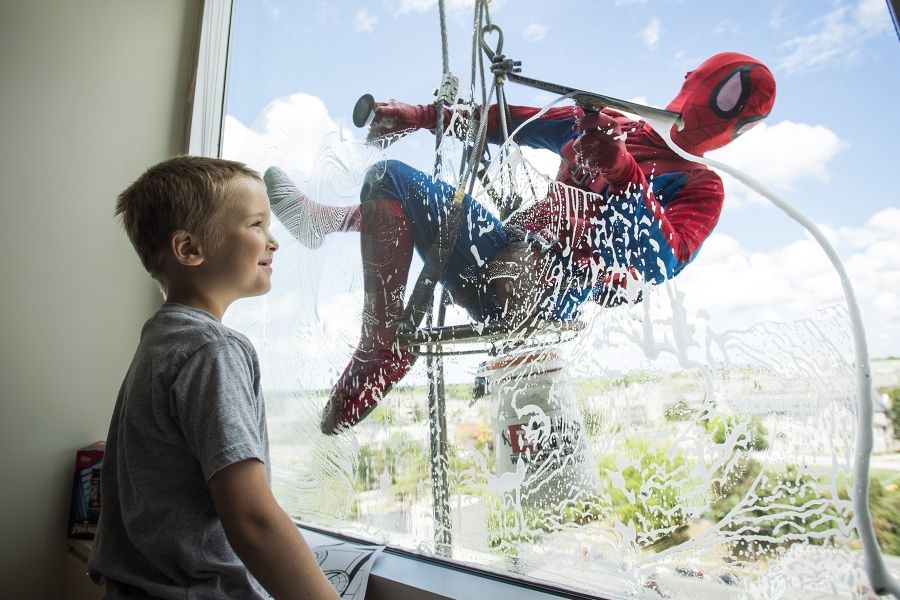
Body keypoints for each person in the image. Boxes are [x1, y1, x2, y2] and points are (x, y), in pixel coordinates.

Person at [266, 51, 776, 435]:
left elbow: (662, 259)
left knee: (412, 199)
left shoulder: (700, 186)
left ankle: (331, 235)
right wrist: (422, 116)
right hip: (501, 252)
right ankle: (380, 340)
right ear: (693, 82)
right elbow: (505, 122)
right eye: (726, 101)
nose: (723, 119)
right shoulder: (607, 126)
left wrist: (623, 174)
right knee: (388, 179)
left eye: (734, 112)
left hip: (544, 294)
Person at [87, 156, 339, 600]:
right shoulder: (212, 350)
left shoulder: (161, 339)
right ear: (189, 249)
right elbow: (253, 521)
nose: (274, 242)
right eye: (257, 224)